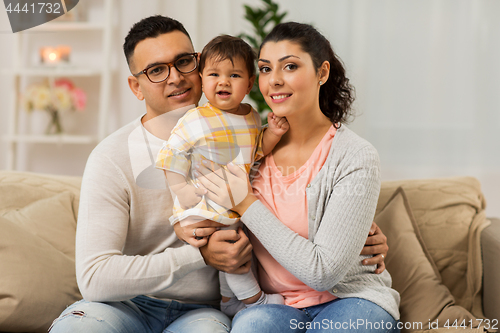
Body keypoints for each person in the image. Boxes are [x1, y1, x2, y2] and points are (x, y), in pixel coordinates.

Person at [48, 16, 389, 333]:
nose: (176, 77)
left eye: (185, 62)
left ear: (203, 66)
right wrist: (199, 254)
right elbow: (93, 278)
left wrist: (354, 232)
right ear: (136, 87)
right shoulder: (111, 158)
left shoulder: (246, 137)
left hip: (203, 311)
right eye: (155, 70)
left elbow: (299, 196)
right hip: (123, 305)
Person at [190, 22, 401, 332]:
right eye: (264, 69)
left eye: (290, 66)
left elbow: (324, 272)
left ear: (322, 73)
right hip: (272, 304)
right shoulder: (249, 148)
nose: (274, 80)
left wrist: (246, 202)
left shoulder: (355, 155)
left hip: (350, 300)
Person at [155, 35, 288, 315]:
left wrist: (273, 134)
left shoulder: (251, 117)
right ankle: (255, 301)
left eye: (234, 75)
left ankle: (229, 301)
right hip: (206, 201)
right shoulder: (195, 119)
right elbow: (170, 156)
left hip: (233, 199)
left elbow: (256, 151)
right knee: (233, 247)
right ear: (202, 79)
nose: (223, 81)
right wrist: (181, 190)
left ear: (250, 83)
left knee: (242, 246)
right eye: (214, 74)